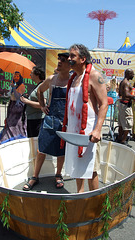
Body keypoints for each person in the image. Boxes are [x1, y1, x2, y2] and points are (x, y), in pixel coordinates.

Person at [61, 44, 108, 193]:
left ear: (83, 59)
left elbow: (104, 104)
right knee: (77, 164)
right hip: (74, 129)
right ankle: (79, 196)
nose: (69, 58)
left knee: (91, 168)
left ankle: (94, 204)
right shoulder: (74, 77)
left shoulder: (95, 76)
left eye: (72, 56)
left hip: (89, 132)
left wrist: (97, 130)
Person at [23, 52, 71, 191]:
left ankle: (58, 175)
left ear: (70, 65)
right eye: (59, 59)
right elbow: (40, 91)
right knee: (41, 150)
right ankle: (34, 177)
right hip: (50, 120)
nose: (60, 62)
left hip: (65, 122)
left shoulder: (73, 81)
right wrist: (43, 106)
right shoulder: (51, 79)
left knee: (61, 151)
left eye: (63, 60)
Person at [0, 71, 27, 144]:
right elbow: (11, 96)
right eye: (15, 76)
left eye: (18, 76)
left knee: (16, 124)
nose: (16, 77)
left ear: (20, 78)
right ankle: (8, 137)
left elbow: (18, 97)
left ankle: (16, 138)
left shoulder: (22, 86)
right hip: (11, 106)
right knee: (9, 123)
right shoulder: (15, 85)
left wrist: (14, 88)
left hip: (17, 107)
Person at [20, 66, 48, 137]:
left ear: (37, 75)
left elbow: (42, 104)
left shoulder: (42, 86)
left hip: (37, 119)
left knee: (35, 141)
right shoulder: (37, 86)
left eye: (31, 73)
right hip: (32, 118)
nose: (30, 75)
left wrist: (27, 101)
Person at [117, 69, 135, 146]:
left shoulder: (122, 82)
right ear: (128, 74)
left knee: (121, 123)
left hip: (122, 105)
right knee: (128, 124)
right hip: (126, 105)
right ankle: (123, 140)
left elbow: (120, 93)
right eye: (132, 74)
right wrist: (134, 96)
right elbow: (126, 94)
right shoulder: (126, 83)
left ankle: (119, 138)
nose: (133, 75)